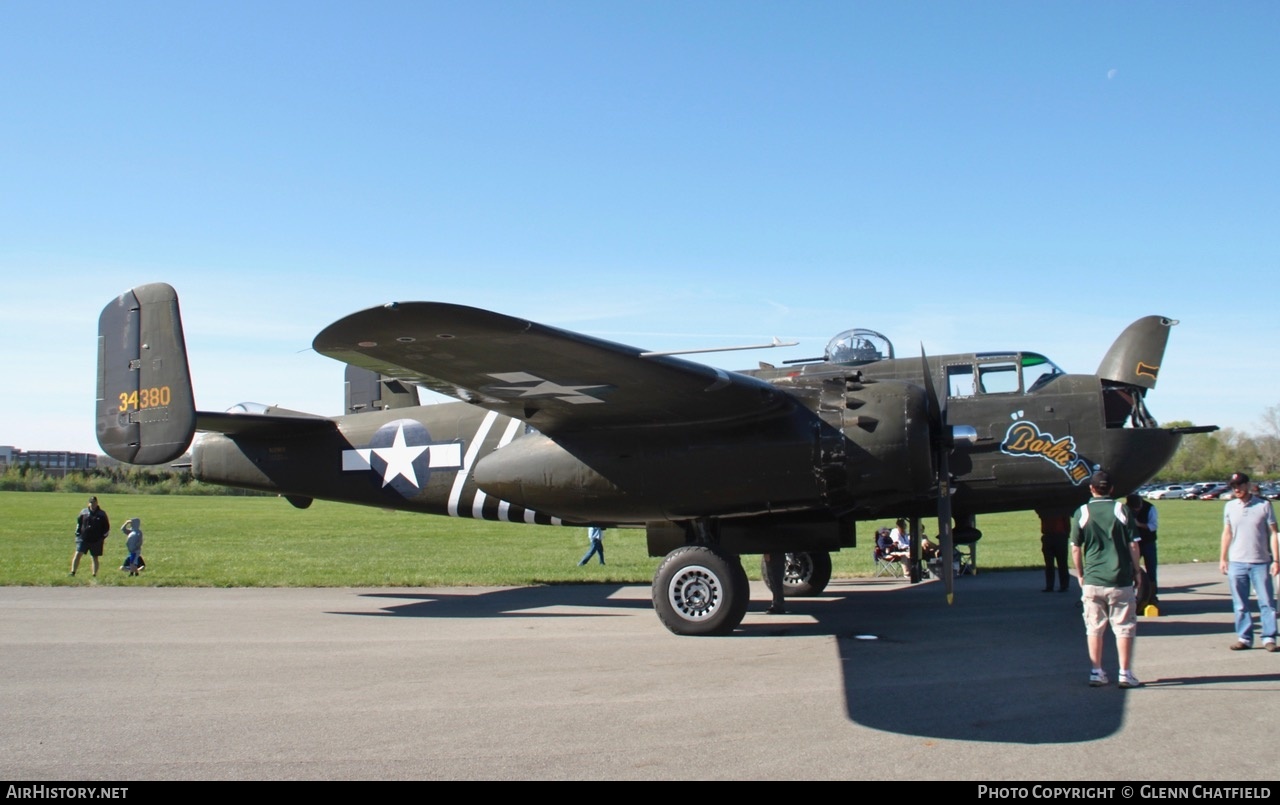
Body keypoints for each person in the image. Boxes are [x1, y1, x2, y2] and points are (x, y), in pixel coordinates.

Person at [1070, 470, 1142, 688]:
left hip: (1093, 579)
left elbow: (1075, 547)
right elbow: (1133, 544)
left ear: (1091, 488)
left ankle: (1096, 671)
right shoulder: (1122, 510)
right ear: (1111, 489)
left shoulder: (1082, 512)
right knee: (1124, 627)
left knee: (1094, 627)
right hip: (1119, 578)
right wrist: (1137, 570)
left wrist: (1080, 573)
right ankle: (1125, 673)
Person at [1219, 472, 1279, 652]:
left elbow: (1274, 534)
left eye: (1239, 485)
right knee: (1240, 603)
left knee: (1266, 601)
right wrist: (1223, 558)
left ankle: (1269, 637)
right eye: (1233, 486)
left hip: (1260, 561)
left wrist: (1276, 560)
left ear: (1248, 485)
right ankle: (1244, 637)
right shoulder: (1230, 507)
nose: (1236, 489)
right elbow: (1227, 532)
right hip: (1237, 561)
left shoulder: (1264, 505)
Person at [1126, 494, 1159, 602]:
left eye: (1138, 508)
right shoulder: (1125, 510)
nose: (1137, 510)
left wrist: (1139, 524)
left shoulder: (1150, 508)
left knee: (1151, 569)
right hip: (1133, 543)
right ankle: (1129, 594)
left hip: (1147, 542)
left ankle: (1152, 596)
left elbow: (1153, 526)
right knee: (1129, 568)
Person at [70, 496, 110, 577]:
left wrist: (102, 537)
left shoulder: (101, 514)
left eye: (94, 502)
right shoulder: (83, 512)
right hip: (83, 538)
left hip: (96, 540)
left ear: (97, 503)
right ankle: (73, 572)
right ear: (89, 503)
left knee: (94, 557)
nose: (93, 504)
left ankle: (94, 574)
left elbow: (106, 527)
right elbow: (79, 523)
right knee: (78, 554)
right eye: (91, 502)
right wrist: (78, 534)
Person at [1039, 510, 1071, 593]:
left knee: (1060, 563)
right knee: (1052, 563)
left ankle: (1059, 585)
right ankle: (1054, 585)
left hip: (1055, 535)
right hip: (1053, 536)